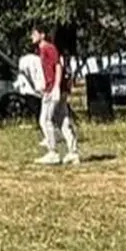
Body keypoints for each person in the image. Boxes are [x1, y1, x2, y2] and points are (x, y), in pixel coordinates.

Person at [32, 26, 79, 166]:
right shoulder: (41, 50)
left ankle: (52, 152)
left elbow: (58, 66)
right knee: (62, 120)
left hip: (53, 89)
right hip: (53, 87)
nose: (31, 37)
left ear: (42, 35)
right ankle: (73, 152)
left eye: (34, 34)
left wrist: (55, 87)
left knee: (45, 120)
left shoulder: (48, 48)